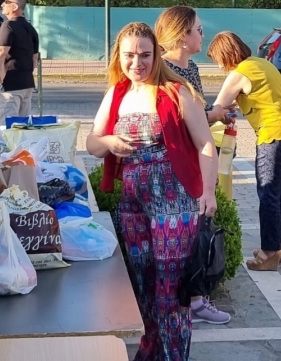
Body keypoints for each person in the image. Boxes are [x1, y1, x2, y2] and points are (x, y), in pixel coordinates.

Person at [87, 22, 218, 361]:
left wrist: (208, 193)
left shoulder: (176, 91)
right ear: (119, 56)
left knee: (171, 294)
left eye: (145, 55)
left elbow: (206, 144)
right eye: (129, 55)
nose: (137, 63)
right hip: (133, 205)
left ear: (157, 54)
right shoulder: (116, 92)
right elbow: (91, 143)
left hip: (175, 204)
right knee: (142, 287)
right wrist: (108, 141)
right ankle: (150, 353)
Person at [154, 5, 231, 325]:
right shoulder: (165, 71)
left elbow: (198, 116)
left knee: (195, 236)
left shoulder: (192, 68)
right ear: (182, 36)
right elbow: (186, 124)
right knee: (181, 239)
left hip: (195, 166)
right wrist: (214, 113)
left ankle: (196, 299)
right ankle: (189, 302)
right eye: (198, 30)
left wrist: (216, 112)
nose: (203, 34)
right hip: (175, 169)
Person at [206, 32, 281, 271]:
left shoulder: (238, 73)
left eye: (217, 60)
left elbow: (216, 109)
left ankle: (269, 253)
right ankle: (276, 244)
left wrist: (196, 119)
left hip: (273, 133)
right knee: (278, 192)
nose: (218, 66)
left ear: (225, 55)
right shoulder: (261, 63)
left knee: (267, 193)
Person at [0, 0, 40, 125]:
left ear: (15, 7)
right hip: (26, 84)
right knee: (22, 129)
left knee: (8, 129)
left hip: (9, 85)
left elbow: (1, 51)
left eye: (6, 2)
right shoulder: (30, 28)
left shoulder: (8, 26)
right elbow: (34, 58)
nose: (2, 4)